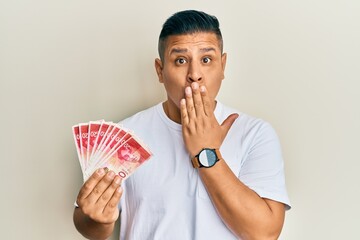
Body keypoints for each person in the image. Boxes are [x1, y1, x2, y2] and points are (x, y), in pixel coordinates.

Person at [73, 10, 291, 240]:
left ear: (223, 65)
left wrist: (206, 152)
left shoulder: (255, 134)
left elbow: (264, 234)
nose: (195, 75)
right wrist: (97, 220)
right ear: (160, 70)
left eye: (206, 60)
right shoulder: (124, 137)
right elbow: (89, 226)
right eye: (180, 60)